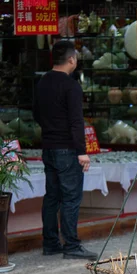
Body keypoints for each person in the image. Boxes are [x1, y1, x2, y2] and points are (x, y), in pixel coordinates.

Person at [33, 40, 97, 261]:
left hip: (49, 146)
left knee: (52, 196)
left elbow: (36, 115)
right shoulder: (71, 86)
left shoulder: (42, 82)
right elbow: (76, 122)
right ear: (71, 59)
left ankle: (50, 242)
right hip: (67, 149)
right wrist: (82, 151)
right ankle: (71, 245)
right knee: (70, 197)